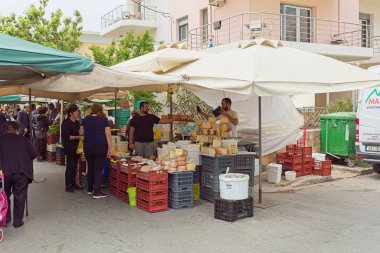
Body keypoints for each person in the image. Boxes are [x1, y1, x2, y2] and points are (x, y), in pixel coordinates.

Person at [0, 122, 37, 228]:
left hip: (4, 172)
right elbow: (34, 154)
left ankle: (5, 219)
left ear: (4, 130)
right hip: (21, 172)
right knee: (20, 196)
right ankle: (17, 222)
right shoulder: (23, 140)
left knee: (4, 196)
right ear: (16, 129)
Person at [80, 104, 112, 199]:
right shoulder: (103, 119)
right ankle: (97, 192)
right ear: (100, 110)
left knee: (90, 167)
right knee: (98, 169)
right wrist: (110, 148)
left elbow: (81, 133)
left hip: (88, 146)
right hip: (101, 146)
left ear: (91, 110)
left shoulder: (85, 119)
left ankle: (90, 189)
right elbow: (108, 134)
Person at [61, 105, 81, 193]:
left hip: (77, 148)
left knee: (75, 166)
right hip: (69, 147)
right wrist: (78, 137)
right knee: (70, 165)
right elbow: (66, 136)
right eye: (76, 112)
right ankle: (68, 185)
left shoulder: (77, 122)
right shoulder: (66, 123)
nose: (78, 113)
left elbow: (80, 132)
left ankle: (74, 183)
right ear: (71, 113)